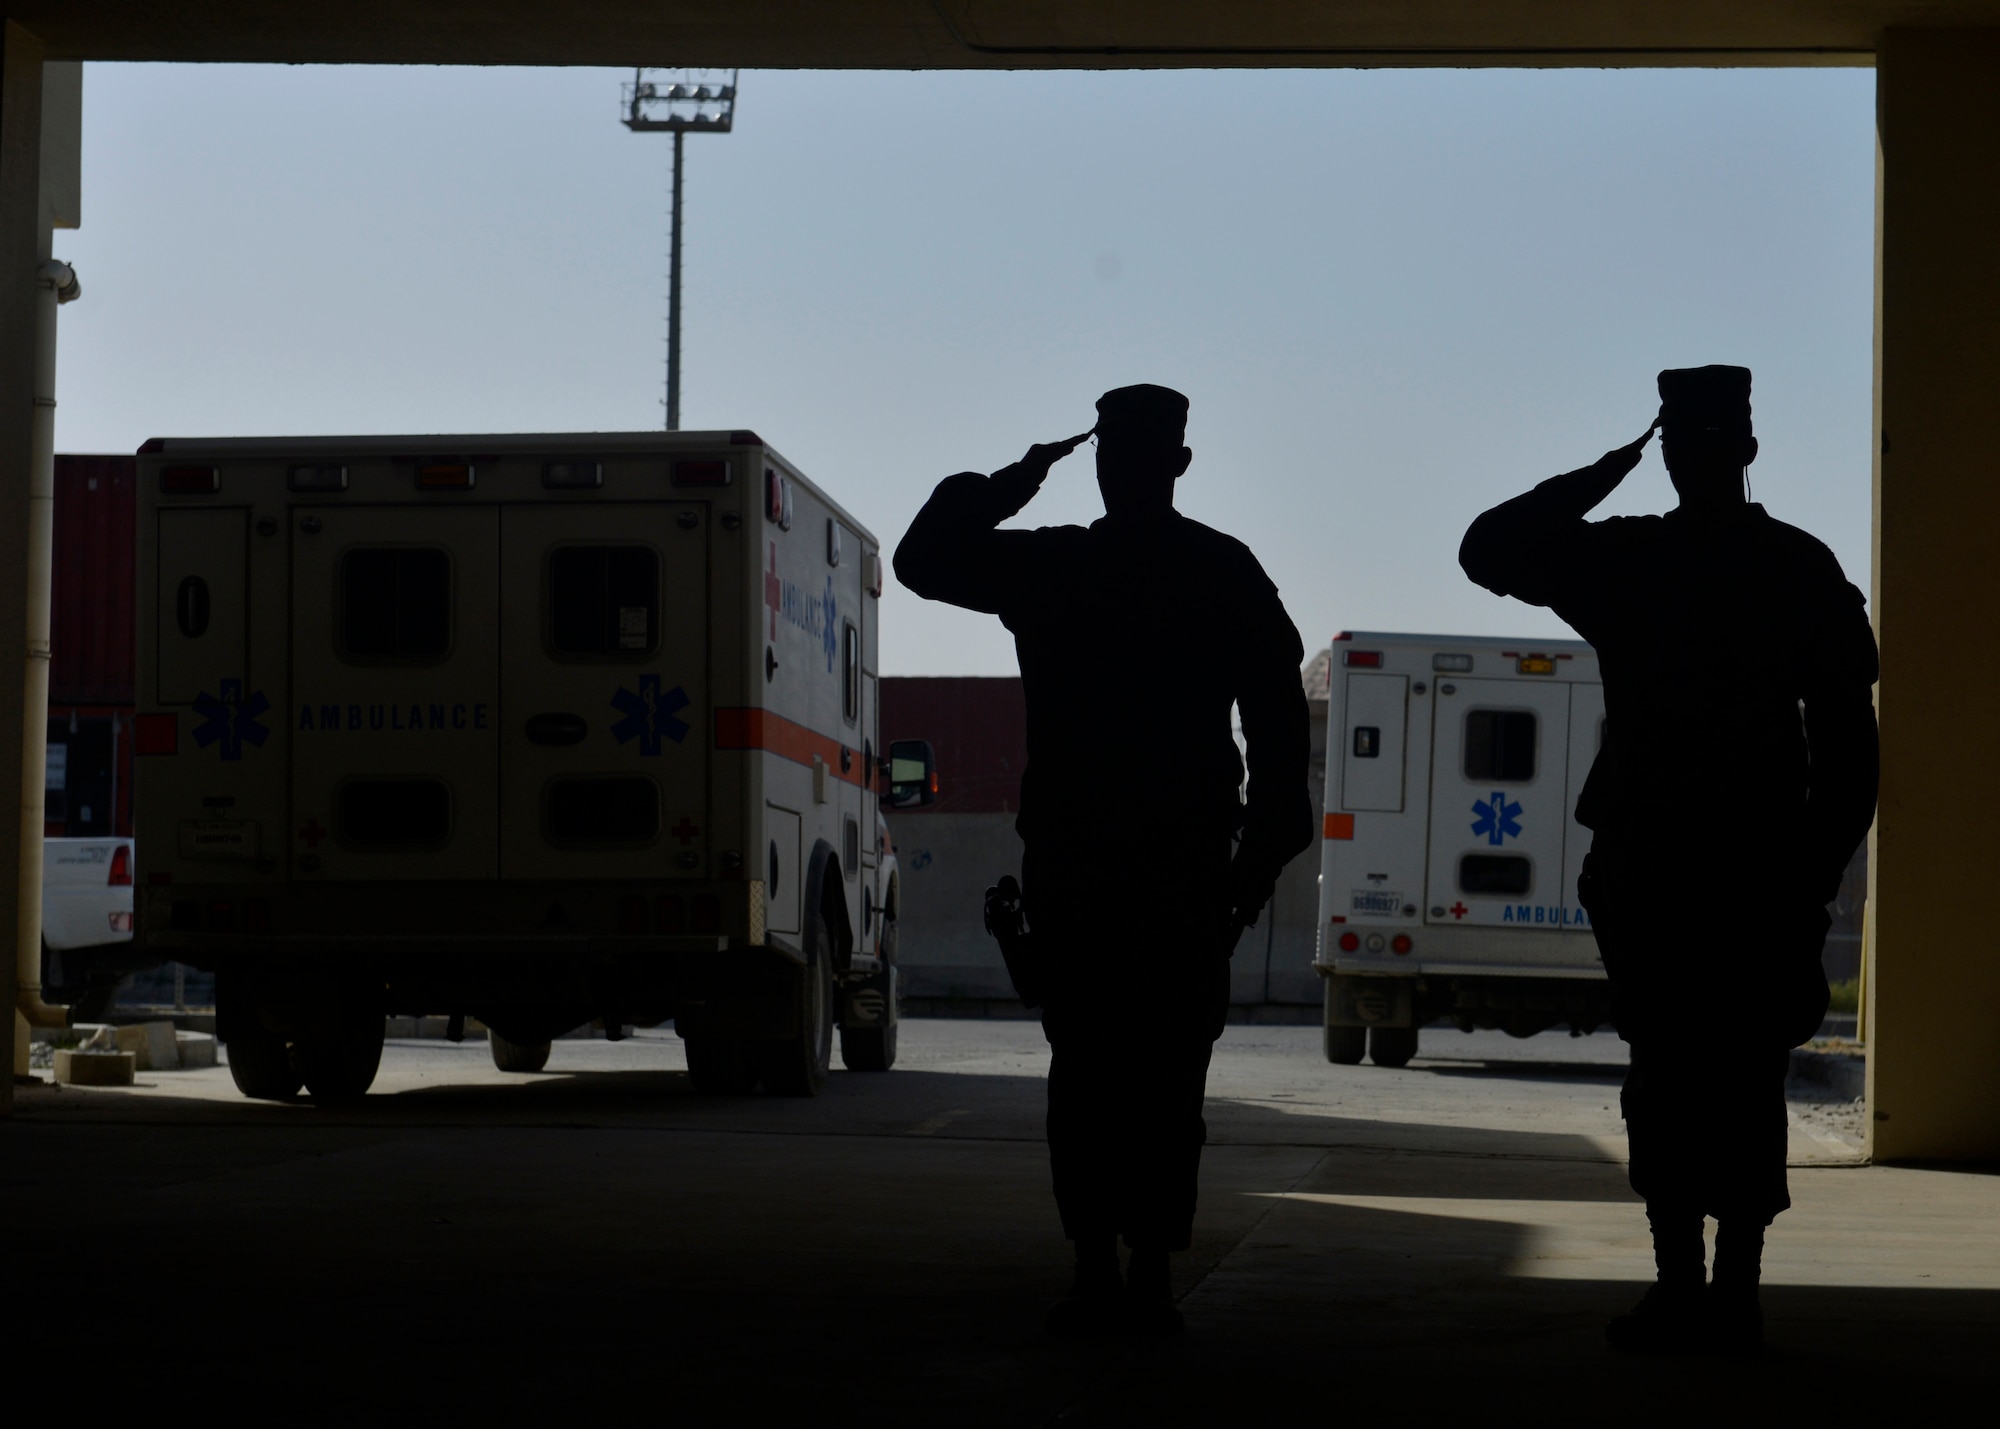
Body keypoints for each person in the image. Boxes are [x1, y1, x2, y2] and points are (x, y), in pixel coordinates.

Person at [1459, 365, 1879, 1353]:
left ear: (1694, 451)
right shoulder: (1791, 565)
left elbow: (1491, 546)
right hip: (1741, 864)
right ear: (1745, 449)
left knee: (1680, 1072)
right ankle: (1718, 1287)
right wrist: (1812, 869)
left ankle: (1695, 1285)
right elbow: (1848, 747)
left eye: (1686, 442)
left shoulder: (1632, 561)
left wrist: (1600, 472)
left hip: (1674, 859)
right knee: (1730, 1073)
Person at [894, 384, 1313, 1337]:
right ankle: (1148, 1273)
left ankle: (1095, 1270)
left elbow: (925, 558)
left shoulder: (1057, 565)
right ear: (1180, 463)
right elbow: (1280, 738)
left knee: (1085, 1077)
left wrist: (1007, 483)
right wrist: (1247, 873)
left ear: (1103, 464)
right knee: (1165, 1080)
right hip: (1179, 867)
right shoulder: (1221, 570)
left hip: (1086, 863)